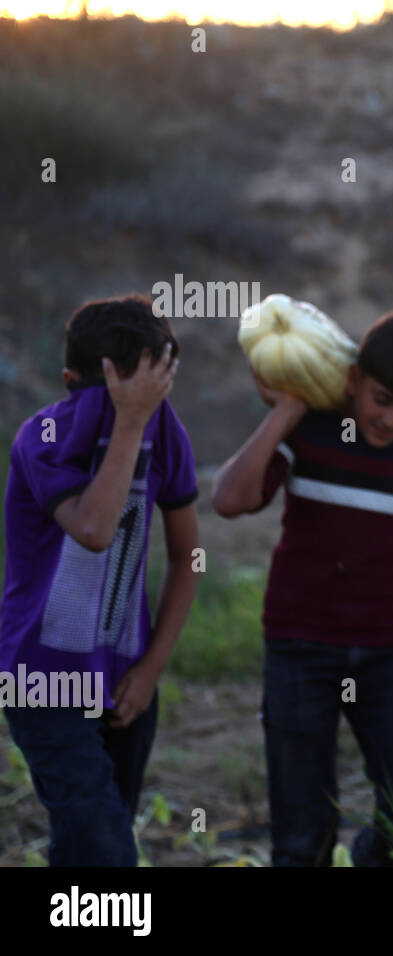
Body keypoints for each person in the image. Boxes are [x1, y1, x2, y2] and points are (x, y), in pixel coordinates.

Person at [212, 307, 393, 867]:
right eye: (382, 400)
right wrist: (286, 411)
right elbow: (230, 499)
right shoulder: (309, 432)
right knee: (301, 832)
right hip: (299, 650)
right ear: (354, 379)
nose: (391, 420)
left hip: (389, 652)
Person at [1, 294, 198, 866]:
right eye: (114, 398)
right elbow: (93, 529)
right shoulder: (41, 436)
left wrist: (151, 669)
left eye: (152, 394)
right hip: (42, 680)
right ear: (71, 384)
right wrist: (130, 420)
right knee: (106, 853)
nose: (132, 412)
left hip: (123, 679)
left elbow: (189, 558)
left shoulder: (166, 432)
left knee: (92, 845)